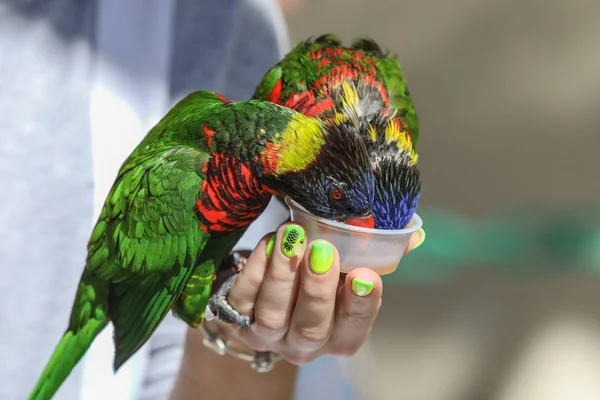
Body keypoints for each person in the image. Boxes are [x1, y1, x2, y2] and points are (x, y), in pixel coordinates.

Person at [0, 0, 424, 399]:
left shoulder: (237, 27)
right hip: (133, 279)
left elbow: (185, 365)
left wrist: (251, 330)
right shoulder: (196, 170)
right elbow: (162, 281)